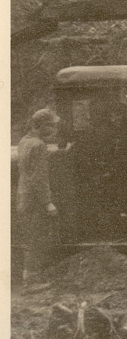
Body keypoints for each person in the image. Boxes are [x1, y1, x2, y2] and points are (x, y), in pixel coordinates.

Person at [17, 108, 61, 283]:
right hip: (35, 201)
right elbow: (39, 178)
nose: (54, 130)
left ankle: (31, 277)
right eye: (51, 126)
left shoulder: (25, 141)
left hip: (24, 198)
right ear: (41, 126)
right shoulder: (39, 146)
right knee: (37, 238)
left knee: (30, 237)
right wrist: (47, 202)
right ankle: (32, 280)